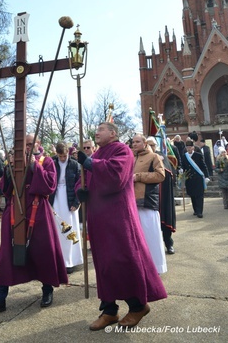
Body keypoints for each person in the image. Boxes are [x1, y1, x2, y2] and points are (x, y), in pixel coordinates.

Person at [76, 122, 167, 331]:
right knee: (104, 263)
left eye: (101, 129)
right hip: (99, 217)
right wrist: (84, 192)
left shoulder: (122, 150)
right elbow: (92, 180)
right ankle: (109, 310)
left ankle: (137, 306)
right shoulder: (99, 152)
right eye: (96, 130)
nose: (96, 133)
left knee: (122, 259)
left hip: (118, 217)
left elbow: (116, 177)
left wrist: (90, 164)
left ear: (113, 133)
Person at [0, 134, 68, 314]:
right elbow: (6, 189)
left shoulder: (46, 161)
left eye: (30, 144)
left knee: (43, 251)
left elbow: (49, 186)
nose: (27, 147)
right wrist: (9, 170)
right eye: (24, 144)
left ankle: (47, 291)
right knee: (6, 254)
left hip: (38, 209)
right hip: (15, 208)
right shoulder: (14, 161)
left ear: (37, 143)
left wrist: (33, 165)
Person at [132, 134, 167, 274]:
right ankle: (141, 267)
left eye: (137, 142)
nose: (134, 144)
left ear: (145, 143)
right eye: (133, 142)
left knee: (152, 236)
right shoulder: (131, 158)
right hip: (132, 202)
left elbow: (160, 175)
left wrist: (139, 176)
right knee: (137, 238)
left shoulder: (154, 157)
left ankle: (157, 268)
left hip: (147, 201)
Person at [49, 141, 83, 273]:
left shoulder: (75, 164)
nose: (63, 158)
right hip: (55, 197)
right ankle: (58, 259)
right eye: (60, 156)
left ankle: (70, 260)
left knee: (71, 228)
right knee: (57, 228)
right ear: (57, 154)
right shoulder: (52, 162)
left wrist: (76, 202)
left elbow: (79, 184)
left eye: (64, 156)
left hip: (69, 199)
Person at [146, 137, 177, 255]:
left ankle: (169, 244)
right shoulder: (142, 158)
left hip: (162, 195)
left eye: (152, 145)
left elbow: (168, 173)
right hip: (147, 197)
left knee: (164, 220)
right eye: (148, 145)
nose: (151, 147)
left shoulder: (161, 156)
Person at [181, 140, 209, 218]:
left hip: (198, 178)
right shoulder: (184, 156)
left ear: (193, 147)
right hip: (189, 179)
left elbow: (203, 166)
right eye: (187, 147)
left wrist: (206, 176)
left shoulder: (198, 155)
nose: (189, 149)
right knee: (192, 195)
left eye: (190, 147)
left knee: (199, 195)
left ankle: (200, 211)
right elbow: (183, 166)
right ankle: (196, 210)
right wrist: (180, 171)